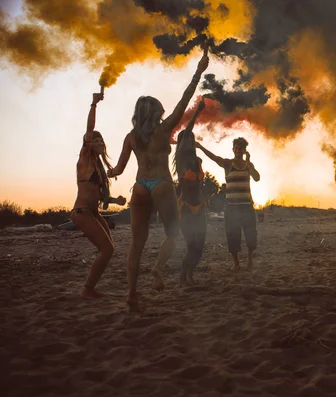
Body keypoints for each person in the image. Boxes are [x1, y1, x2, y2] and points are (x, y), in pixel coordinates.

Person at [108, 47, 210, 310]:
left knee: (136, 245)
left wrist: (106, 173)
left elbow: (119, 169)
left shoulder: (131, 137)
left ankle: (131, 295)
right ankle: (157, 269)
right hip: (162, 184)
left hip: (140, 186)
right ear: (155, 114)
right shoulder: (164, 129)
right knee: (173, 234)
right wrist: (198, 71)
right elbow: (185, 99)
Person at [71, 91, 126, 299]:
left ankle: (91, 286)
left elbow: (100, 196)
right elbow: (89, 129)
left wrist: (116, 201)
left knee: (108, 248)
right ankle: (87, 289)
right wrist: (94, 105)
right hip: (82, 212)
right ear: (88, 144)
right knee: (107, 250)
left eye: (102, 141)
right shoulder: (85, 159)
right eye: (96, 141)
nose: (100, 143)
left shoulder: (99, 168)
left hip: (94, 213)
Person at [196, 137, 260, 271]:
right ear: (233, 149)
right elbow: (214, 157)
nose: (238, 150)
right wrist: (201, 147)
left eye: (240, 148)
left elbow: (257, 178)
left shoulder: (249, 165)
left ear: (244, 150)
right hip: (231, 208)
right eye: (236, 147)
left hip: (247, 207)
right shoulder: (228, 164)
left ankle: (249, 260)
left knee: (250, 235)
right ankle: (236, 263)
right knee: (232, 235)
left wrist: (248, 162)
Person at [173, 98, 207, 286]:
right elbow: (187, 131)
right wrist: (197, 112)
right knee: (191, 245)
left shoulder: (198, 161)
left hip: (200, 207)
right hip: (185, 208)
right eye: (187, 139)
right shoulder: (180, 159)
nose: (190, 141)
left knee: (199, 247)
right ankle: (183, 276)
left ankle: (189, 274)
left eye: (191, 139)